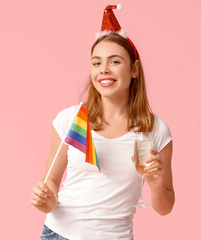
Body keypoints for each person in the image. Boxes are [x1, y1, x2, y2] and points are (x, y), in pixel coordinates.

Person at [30, 5, 175, 240]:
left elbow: (165, 206)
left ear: (134, 69)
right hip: (60, 234)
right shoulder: (70, 119)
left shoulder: (154, 130)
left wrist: (155, 183)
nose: (104, 70)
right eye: (96, 63)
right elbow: (52, 186)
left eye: (115, 62)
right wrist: (45, 200)